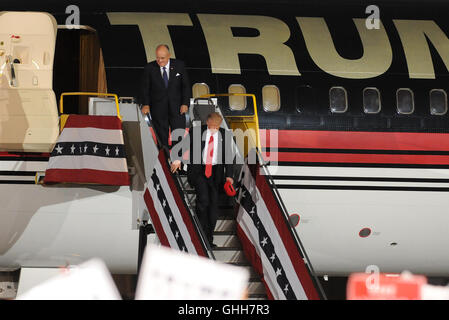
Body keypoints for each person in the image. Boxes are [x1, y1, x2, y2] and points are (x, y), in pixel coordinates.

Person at [170, 112, 235, 247]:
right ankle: (199, 236)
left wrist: (229, 175)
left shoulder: (225, 135)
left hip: (215, 174)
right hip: (198, 172)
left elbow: (229, 156)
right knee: (204, 200)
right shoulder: (197, 131)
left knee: (213, 209)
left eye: (217, 126)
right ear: (207, 123)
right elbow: (184, 146)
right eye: (212, 126)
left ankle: (208, 239)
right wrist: (177, 159)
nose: (214, 129)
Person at [141, 44, 191, 149]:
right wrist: (145, 104)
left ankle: (177, 163)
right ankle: (164, 162)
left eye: (162, 58)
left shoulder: (179, 65)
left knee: (178, 136)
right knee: (161, 139)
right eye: (157, 57)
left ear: (169, 56)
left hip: (177, 108)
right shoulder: (149, 68)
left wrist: (185, 103)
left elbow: (185, 86)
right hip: (158, 109)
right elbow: (145, 88)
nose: (159, 60)